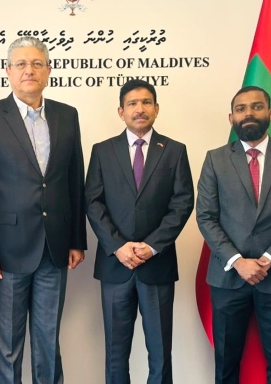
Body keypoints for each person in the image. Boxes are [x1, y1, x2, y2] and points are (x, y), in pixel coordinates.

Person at [0, 36, 87, 384]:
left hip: (54, 248)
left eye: (36, 63)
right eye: (21, 64)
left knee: (48, 341)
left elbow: (74, 180)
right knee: (8, 346)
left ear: (49, 70)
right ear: (8, 71)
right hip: (5, 253)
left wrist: (76, 239)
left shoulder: (67, 115)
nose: (29, 70)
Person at [196, 86, 271, 384]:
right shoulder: (215, 160)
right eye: (241, 109)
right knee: (226, 364)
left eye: (256, 107)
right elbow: (206, 217)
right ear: (231, 118)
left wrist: (267, 260)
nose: (248, 113)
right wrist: (238, 261)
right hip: (228, 277)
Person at [85, 79, 193, 384]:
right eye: (132, 103)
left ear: (156, 109)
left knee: (160, 352)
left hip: (156, 264)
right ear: (121, 111)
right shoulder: (102, 151)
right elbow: (93, 202)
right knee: (115, 352)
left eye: (146, 102)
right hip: (115, 264)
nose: (140, 109)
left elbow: (183, 202)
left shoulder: (174, 151)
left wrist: (152, 246)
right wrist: (118, 246)